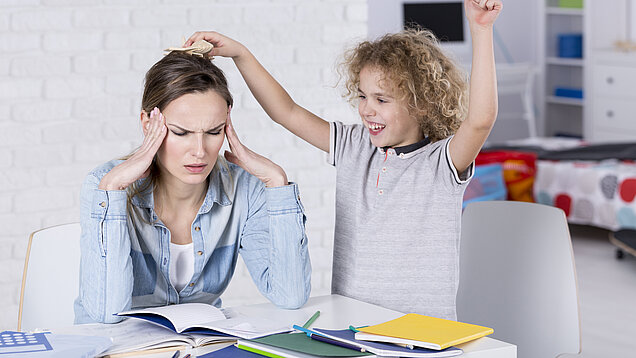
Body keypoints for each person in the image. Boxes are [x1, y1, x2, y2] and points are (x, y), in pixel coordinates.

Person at [185, 0, 502, 320]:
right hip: (353, 327)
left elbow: (480, 121)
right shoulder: (355, 146)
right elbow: (287, 112)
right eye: (363, 96)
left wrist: (481, 29)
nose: (367, 109)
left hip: (423, 334)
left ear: (421, 104)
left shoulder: (441, 164)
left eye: (382, 99)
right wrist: (241, 54)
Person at [74, 51, 311, 324]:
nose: (200, 152)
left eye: (213, 132)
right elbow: (106, 313)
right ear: (148, 124)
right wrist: (113, 189)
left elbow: (290, 296)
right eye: (181, 133)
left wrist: (277, 183)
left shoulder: (245, 189)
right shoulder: (105, 184)